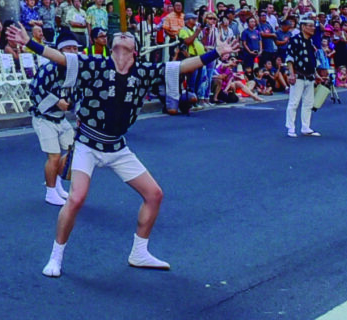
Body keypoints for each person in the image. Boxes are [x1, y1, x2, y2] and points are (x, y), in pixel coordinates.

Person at [11, 25, 209, 276]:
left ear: (135, 51)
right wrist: (31, 43)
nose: (122, 34)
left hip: (117, 146)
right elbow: (61, 57)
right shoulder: (95, 64)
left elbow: (182, 67)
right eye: (119, 34)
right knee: (76, 198)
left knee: (154, 194)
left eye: (128, 35)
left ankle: (139, 252)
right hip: (87, 143)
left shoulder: (144, 71)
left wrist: (215, 54)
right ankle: (56, 256)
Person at [25, 29, 79, 206]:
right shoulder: (48, 68)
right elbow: (34, 92)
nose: (72, 52)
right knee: (54, 156)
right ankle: (50, 191)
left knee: (74, 150)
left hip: (61, 118)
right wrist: (57, 101)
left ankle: (56, 184)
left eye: (75, 48)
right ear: (60, 51)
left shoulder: (76, 69)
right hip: (44, 118)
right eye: (68, 49)